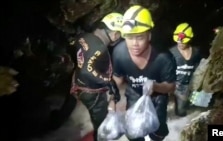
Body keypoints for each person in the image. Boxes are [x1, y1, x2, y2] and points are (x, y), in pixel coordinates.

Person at [112, 5, 176, 141]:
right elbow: (118, 78)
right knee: (134, 134)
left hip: (157, 98)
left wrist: (156, 87)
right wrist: (112, 99)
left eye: (140, 37)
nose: (134, 43)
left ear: (149, 35)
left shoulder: (163, 57)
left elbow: (171, 86)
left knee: (157, 132)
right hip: (134, 95)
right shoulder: (119, 53)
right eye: (129, 37)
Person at [69, 12, 123, 141]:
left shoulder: (83, 37)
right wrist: (108, 81)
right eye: (120, 35)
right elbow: (87, 70)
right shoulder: (100, 48)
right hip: (90, 91)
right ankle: (100, 138)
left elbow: (76, 51)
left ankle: (55, 121)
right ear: (115, 34)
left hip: (75, 81)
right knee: (100, 120)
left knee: (69, 103)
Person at [169, 22, 202, 117]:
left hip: (191, 85)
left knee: (198, 107)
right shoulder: (171, 53)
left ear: (190, 38)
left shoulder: (196, 52)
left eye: (183, 41)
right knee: (180, 111)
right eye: (178, 41)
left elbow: (200, 68)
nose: (180, 43)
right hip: (177, 87)